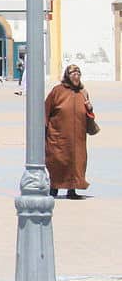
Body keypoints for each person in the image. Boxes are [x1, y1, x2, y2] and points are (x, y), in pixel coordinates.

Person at [45, 65, 92, 200]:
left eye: (78, 73)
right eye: (73, 73)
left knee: (77, 162)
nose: (76, 75)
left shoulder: (83, 92)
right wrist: (44, 129)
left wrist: (90, 108)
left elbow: (88, 114)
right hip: (58, 136)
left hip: (78, 137)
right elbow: (45, 110)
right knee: (57, 161)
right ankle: (54, 188)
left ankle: (72, 190)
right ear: (67, 75)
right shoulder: (57, 91)